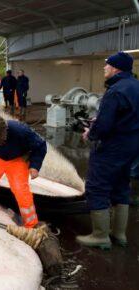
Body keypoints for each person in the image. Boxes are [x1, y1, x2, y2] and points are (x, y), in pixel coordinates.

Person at [76, 52, 139, 249]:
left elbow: (103, 126)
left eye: (107, 65)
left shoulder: (115, 91)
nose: (104, 68)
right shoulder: (135, 86)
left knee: (97, 187)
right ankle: (119, 234)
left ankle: (100, 236)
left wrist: (90, 133)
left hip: (111, 147)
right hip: (131, 145)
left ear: (116, 68)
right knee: (121, 187)